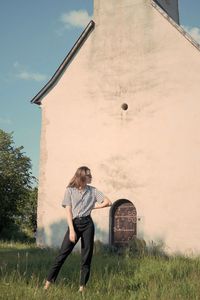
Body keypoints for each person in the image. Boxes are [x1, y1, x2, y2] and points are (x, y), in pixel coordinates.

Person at [44, 166, 112, 292]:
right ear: (81, 176)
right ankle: (47, 284)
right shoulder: (69, 190)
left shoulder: (93, 190)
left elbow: (108, 202)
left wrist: (93, 208)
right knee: (62, 255)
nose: (91, 177)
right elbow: (68, 211)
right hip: (74, 223)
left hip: (88, 224)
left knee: (86, 256)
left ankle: (82, 287)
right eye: (88, 175)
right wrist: (71, 230)